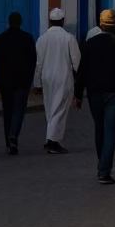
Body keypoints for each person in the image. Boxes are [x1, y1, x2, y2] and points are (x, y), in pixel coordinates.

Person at [74, 8, 115, 184]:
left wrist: (78, 95)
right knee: (110, 130)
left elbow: (82, 72)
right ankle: (104, 169)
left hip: (94, 92)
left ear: (100, 24)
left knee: (99, 128)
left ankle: (102, 164)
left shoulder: (89, 44)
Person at [34, 8, 81, 154]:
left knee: (50, 108)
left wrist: (37, 83)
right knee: (59, 109)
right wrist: (81, 79)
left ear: (50, 21)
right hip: (63, 77)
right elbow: (77, 61)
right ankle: (53, 141)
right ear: (62, 21)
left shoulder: (42, 39)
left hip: (47, 77)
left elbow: (38, 63)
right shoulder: (69, 38)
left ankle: (51, 139)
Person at [0, 11, 37, 154]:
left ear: (9, 22)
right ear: (21, 22)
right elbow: (33, 61)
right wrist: (30, 81)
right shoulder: (28, 38)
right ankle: (13, 136)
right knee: (18, 111)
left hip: (5, 83)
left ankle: (8, 141)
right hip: (22, 82)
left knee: (8, 111)